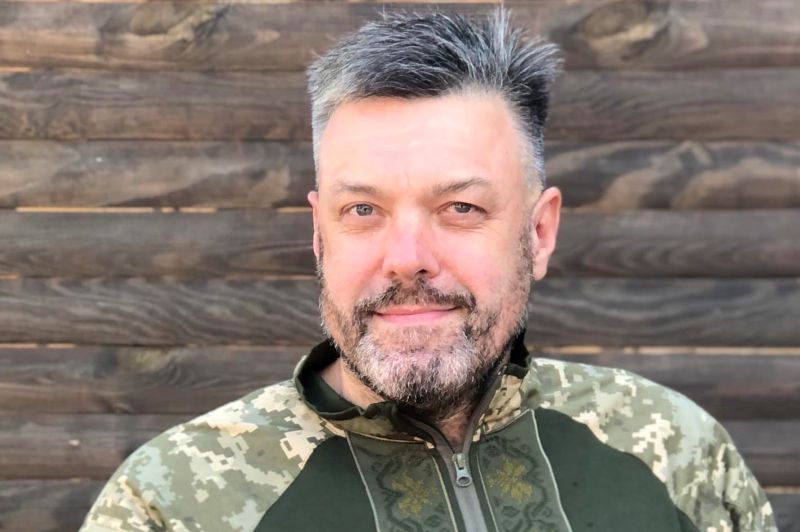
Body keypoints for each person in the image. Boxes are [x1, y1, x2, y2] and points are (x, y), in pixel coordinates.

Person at [80, 9, 776, 532]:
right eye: (363, 210)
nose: (407, 257)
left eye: (460, 207)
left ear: (539, 232)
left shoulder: (677, 452)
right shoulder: (168, 502)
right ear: (319, 235)